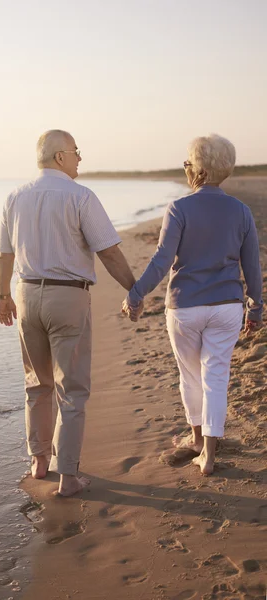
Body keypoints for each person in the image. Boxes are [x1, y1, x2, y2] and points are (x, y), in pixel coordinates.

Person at [0, 129, 138, 496]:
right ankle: (69, 476)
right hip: (67, 297)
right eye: (76, 152)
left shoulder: (15, 197)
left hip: (26, 295)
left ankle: (39, 460)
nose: (80, 158)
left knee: (36, 384)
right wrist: (135, 289)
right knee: (71, 390)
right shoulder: (81, 197)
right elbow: (108, 252)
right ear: (60, 156)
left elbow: (4, 255)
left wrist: (2, 295)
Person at [123, 134, 263, 476]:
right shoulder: (241, 212)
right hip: (228, 306)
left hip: (185, 307)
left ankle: (197, 439)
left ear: (196, 169)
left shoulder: (180, 208)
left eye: (187, 164)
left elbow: (161, 259)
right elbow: (252, 266)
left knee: (190, 376)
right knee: (216, 377)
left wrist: (136, 294)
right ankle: (209, 456)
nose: (186, 169)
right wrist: (255, 308)